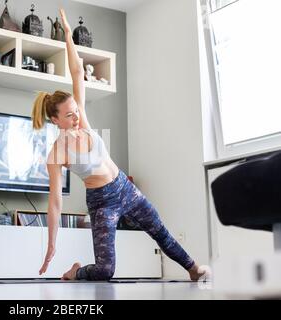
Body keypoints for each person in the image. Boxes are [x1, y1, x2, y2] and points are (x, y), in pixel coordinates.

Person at [31, 8, 206, 281]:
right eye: (68, 114)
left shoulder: (83, 120)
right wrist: (51, 244)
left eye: (76, 109)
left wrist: (67, 34)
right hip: (102, 203)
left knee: (160, 231)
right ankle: (76, 273)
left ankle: (194, 270)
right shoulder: (57, 153)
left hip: (124, 186)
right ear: (55, 120)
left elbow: (77, 71)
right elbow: (54, 203)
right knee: (105, 271)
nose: (76, 116)